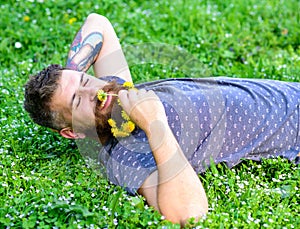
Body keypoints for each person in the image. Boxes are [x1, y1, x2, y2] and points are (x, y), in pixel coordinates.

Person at [24, 13, 300, 226]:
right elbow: (189, 216)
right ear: (73, 133)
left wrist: (71, 78)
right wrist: (155, 125)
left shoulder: (115, 92)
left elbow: (98, 23)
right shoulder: (125, 155)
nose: (93, 92)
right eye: (76, 101)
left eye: (86, 81)